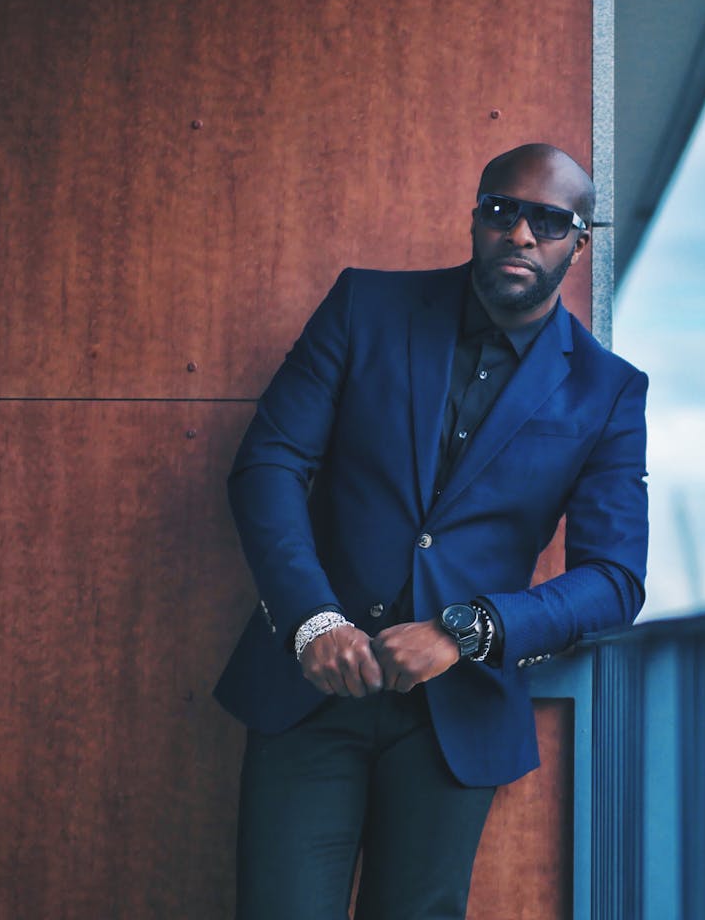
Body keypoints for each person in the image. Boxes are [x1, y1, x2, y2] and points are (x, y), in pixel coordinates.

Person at [213, 143, 649, 920]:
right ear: (476, 220)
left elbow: (615, 579)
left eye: (549, 221)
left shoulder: (607, 391)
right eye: (501, 211)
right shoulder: (365, 309)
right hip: (310, 689)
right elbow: (268, 466)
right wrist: (314, 619)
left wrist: (470, 630)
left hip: (456, 714)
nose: (521, 233)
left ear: (579, 244)